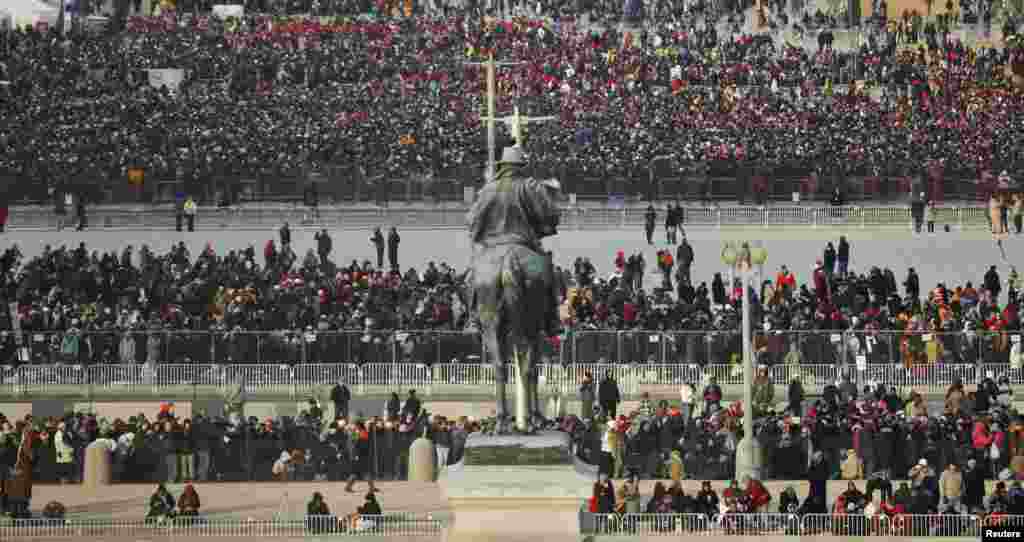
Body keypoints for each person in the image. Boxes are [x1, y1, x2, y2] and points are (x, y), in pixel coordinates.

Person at [345, 421, 377, 493]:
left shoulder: (362, 433)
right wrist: (356, 455)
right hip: (360, 456)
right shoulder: (361, 433)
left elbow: (360, 445)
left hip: (360, 455)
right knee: (360, 473)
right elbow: (358, 446)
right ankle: (348, 487)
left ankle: (372, 487)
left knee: (360, 473)